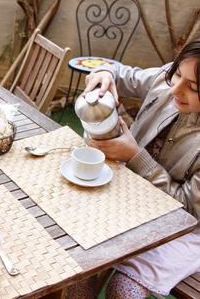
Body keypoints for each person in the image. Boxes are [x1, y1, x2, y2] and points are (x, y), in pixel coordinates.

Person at [77, 39, 200, 298]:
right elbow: (126, 75)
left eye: (193, 87)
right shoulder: (167, 80)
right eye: (177, 74)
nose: (175, 90)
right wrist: (106, 74)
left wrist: (134, 156)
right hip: (129, 199)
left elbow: (189, 209)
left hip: (182, 229)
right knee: (80, 271)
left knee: (124, 291)